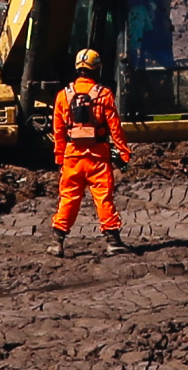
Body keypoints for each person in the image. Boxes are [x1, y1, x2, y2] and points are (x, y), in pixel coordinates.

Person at [48, 48, 133, 257]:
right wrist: (124, 153)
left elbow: (58, 131)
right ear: (97, 69)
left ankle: (58, 242)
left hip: (72, 156)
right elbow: (115, 127)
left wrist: (59, 157)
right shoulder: (103, 95)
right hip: (98, 156)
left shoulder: (63, 96)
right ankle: (113, 241)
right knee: (103, 198)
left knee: (68, 198)